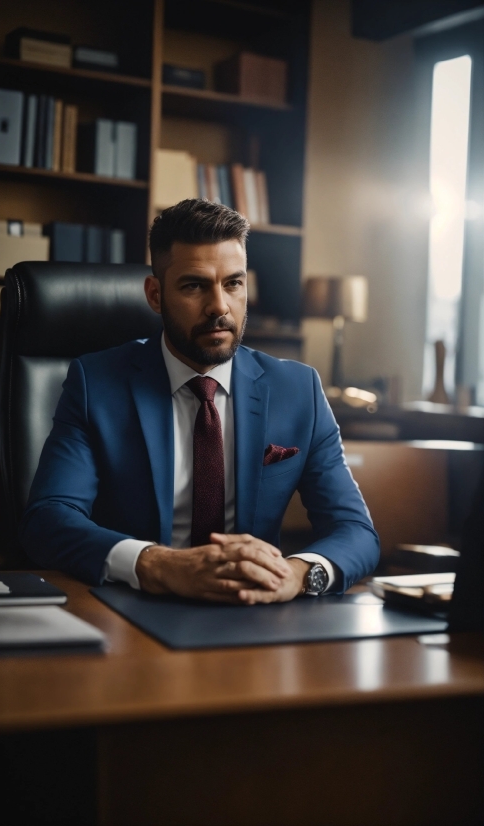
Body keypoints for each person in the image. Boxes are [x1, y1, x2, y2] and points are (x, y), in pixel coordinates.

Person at [21, 199, 379, 604]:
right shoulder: (97, 384)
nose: (219, 307)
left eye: (233, 283)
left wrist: (297, 575)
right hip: (134, 607)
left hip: (254, 612)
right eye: (194, 285)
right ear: (155, 295)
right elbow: (48, 520)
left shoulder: (298, 390)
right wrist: (158, 565)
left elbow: (356, 531)